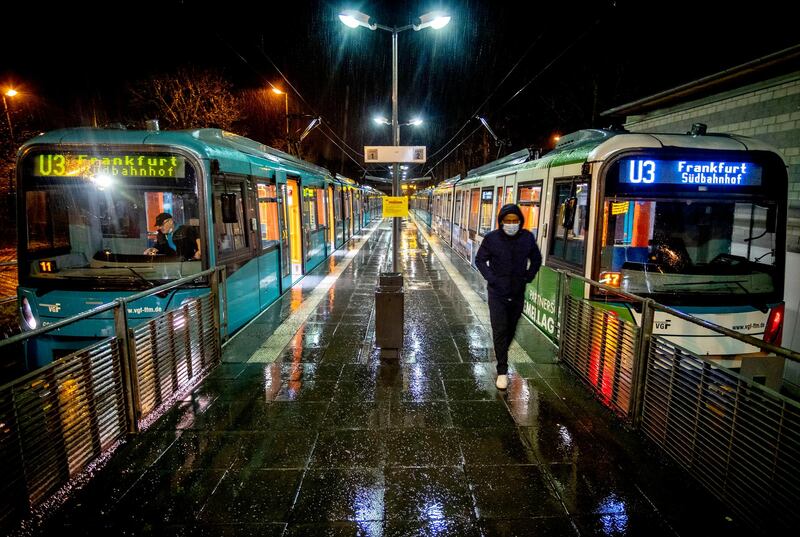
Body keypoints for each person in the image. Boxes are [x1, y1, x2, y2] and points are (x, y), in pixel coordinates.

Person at [476, 203, 542, 390]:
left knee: (511, 329)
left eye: (515, 221)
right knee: (500, 330)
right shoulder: (491, 239)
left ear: (520, 221)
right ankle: (502, 371)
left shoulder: (527, 238)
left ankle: (502, 354)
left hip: (517, 292)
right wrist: (492, 279)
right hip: (497, 293)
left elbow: (536, 259)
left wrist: (528, 277)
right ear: (501, 222)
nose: (511, 224)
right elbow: (480, 259)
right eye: (507, 221)